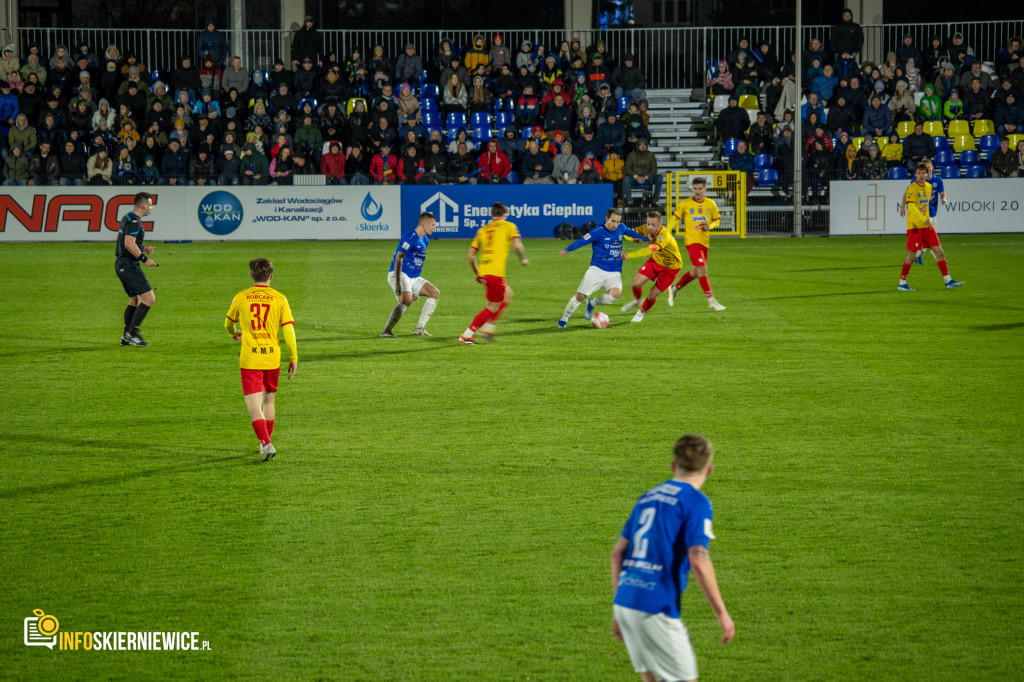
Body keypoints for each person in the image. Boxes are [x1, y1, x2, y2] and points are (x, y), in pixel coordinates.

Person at [611, 434, 735, 682]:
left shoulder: (648, 496)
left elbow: (617, 554)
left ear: (673, 465)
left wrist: (619, 608)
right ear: (708, 470)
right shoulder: (696, 502)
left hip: (626, 600)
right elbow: (699, 560)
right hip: (655, 607)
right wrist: (721, 612)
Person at [224, 258, 298, 462]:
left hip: (250, 358)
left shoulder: (241, 297)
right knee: (268, 400)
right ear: (271, 276)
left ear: (251, 276)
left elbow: (228, 325)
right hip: (272, 357)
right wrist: (294, 357)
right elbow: (289, 329)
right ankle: (265, 442)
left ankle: (266, 444)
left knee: (253, 405)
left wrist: (235, 333)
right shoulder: (280, 298)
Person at [557, 208, 648, 328]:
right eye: (613, 221)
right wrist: (567, 249)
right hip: (597, 269)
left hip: (614, 270)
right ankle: (564, 319)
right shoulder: (597, 232)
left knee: (614, 296)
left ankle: (593, 302)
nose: (615, 224)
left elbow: (631, 233)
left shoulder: (621, 227)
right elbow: (581, 242)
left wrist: (646, 239)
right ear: (606, 219)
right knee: (580, 296)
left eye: (618, 221)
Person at [460, 203, 528, 345]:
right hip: (495, 273)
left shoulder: (483, 230)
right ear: (505, 214)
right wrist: (522, 258)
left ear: (492, 214)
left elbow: (470, 256)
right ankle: (467, 335)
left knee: (507, 295)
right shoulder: (509, 226)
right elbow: (517, 245)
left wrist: (478, 274)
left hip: (485, 272)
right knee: (492, 306)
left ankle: (488, 329)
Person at [898, 163, 963, 292]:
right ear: (915, 175)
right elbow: (911, 208)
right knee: (912, 256)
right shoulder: (912, 188)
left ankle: (948, 281)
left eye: (923, 173)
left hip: (927, 226)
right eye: (918, 173)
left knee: (939, 251)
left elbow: (924, 206)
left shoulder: (928, 187)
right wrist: (923, 219)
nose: (921, 175)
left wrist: (926, 218)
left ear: (928, 174)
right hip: (915, 226)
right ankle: (902, 283)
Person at [667, 177, 726, 311]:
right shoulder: (686, 204)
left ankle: (674, 289)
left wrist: (709, 226)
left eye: (700, 189)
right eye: (695, 189)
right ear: (692, 189)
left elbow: (717, 221)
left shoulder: (710, 203)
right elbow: (674, 218)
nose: (697, 191)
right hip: (692, 242)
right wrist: (667, 233)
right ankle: (711, 301)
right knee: (702, 270)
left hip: (704, 242)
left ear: (705, 189)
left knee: (695, 272)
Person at [615, 211, 683, 323]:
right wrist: (633, 238)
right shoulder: (645, 229)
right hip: (656, 261)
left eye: (653, 225)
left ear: (660, 224)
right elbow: (627, 233)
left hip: (671, 268)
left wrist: (629, 255)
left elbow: (648, 250)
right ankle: (637, 300)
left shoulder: (664, 236)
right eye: (648, 224)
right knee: (635, 284)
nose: (650, 227)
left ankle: (640, 313)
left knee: (651, 295)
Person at [380, 212, 439, 338]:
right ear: (424, 224)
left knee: (434, 293)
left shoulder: (425, 240)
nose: (434, 227)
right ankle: (386, 332)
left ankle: (419, 328)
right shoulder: (410, 237)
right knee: (406, 300)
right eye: (433, 225)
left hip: (413, 277)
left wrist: (414, 288)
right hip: (400, 274)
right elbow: (398, 259)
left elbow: (417, 261)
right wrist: (398, 285)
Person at [114, 192, 157, 346]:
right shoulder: (134, 221)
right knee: (149, 298)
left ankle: (127, 335)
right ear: (143, 206)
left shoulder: (127, 217)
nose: (151, 208)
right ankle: (132, 333)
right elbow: (129, 244)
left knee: (135, 299)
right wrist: (144, 259)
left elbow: (129, 243)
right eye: (150, 205)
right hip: (128, 264)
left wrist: (143, 248)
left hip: (122, 264)